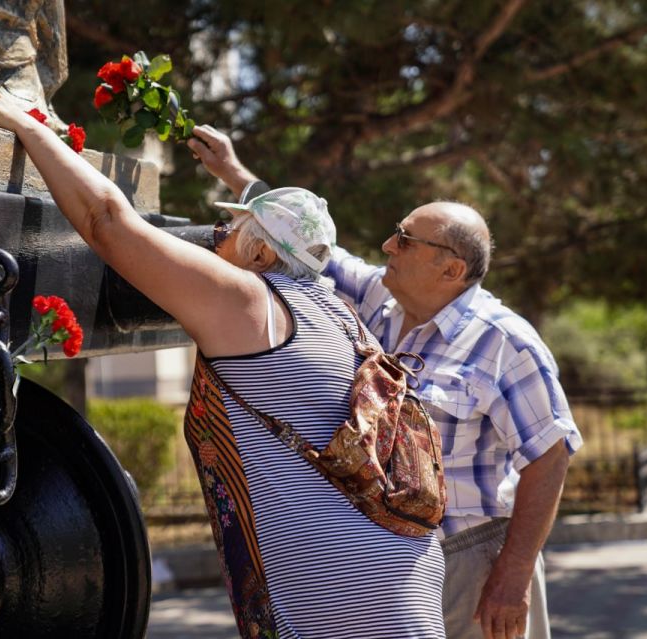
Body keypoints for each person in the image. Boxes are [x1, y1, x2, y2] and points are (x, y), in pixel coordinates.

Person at [0, 93, 446, 638]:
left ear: (262, 256)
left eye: (232, 230)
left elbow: (106, 222)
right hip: (400, 575)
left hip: (343, 601)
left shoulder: (248, 301)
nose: (217, 240)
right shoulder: (337, 313)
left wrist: (31, 131)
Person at [188, 125, 583, 639]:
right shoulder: (382, 297)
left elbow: (550, 457)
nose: (387, 245)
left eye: (406, 240)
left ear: (451, 269)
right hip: (396, 560)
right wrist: (234, 173)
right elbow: (300, 240)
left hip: (472, 557)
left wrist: (513, 574)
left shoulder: (506, 343)